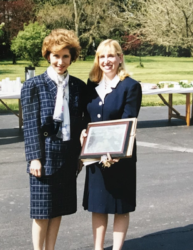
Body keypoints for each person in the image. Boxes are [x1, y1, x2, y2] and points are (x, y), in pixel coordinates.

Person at [21, 29, 86, 250]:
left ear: (72, 57)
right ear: (48, 55)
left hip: (68, 155)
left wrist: (81, 154)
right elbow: (30, 125)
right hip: (45, 157)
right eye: (56, 55)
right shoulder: (34, 86)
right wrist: (34, 158)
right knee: (42, 212)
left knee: (59, 209)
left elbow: (80, 124)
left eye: (65, 56)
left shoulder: (78, 86)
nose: (60, 61)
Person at [81, 39, 142, 250]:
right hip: (95, 157)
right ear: (97, 60)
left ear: (120, 58)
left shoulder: (130, 86)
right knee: (98, 206)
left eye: (111, 56)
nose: (107, 61)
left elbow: (128, 120)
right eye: (102, 56)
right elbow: (85, 119)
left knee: (120, 207)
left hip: (120, 158)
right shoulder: (91, 86)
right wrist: (82, 132)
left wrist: (116, 153)